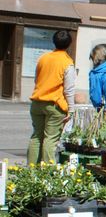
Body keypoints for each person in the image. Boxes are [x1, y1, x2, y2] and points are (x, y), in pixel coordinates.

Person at [27, 30, 76, 164]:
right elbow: (69, 89)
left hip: (37, 102)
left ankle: (31, 171)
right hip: (55, 104)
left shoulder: (43, 58)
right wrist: (71, 109)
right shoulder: (67, 62)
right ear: (69, 44)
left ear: (54, 41)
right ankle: (48, 174)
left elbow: (37, 79)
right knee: (50, 139)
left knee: (36, 136)